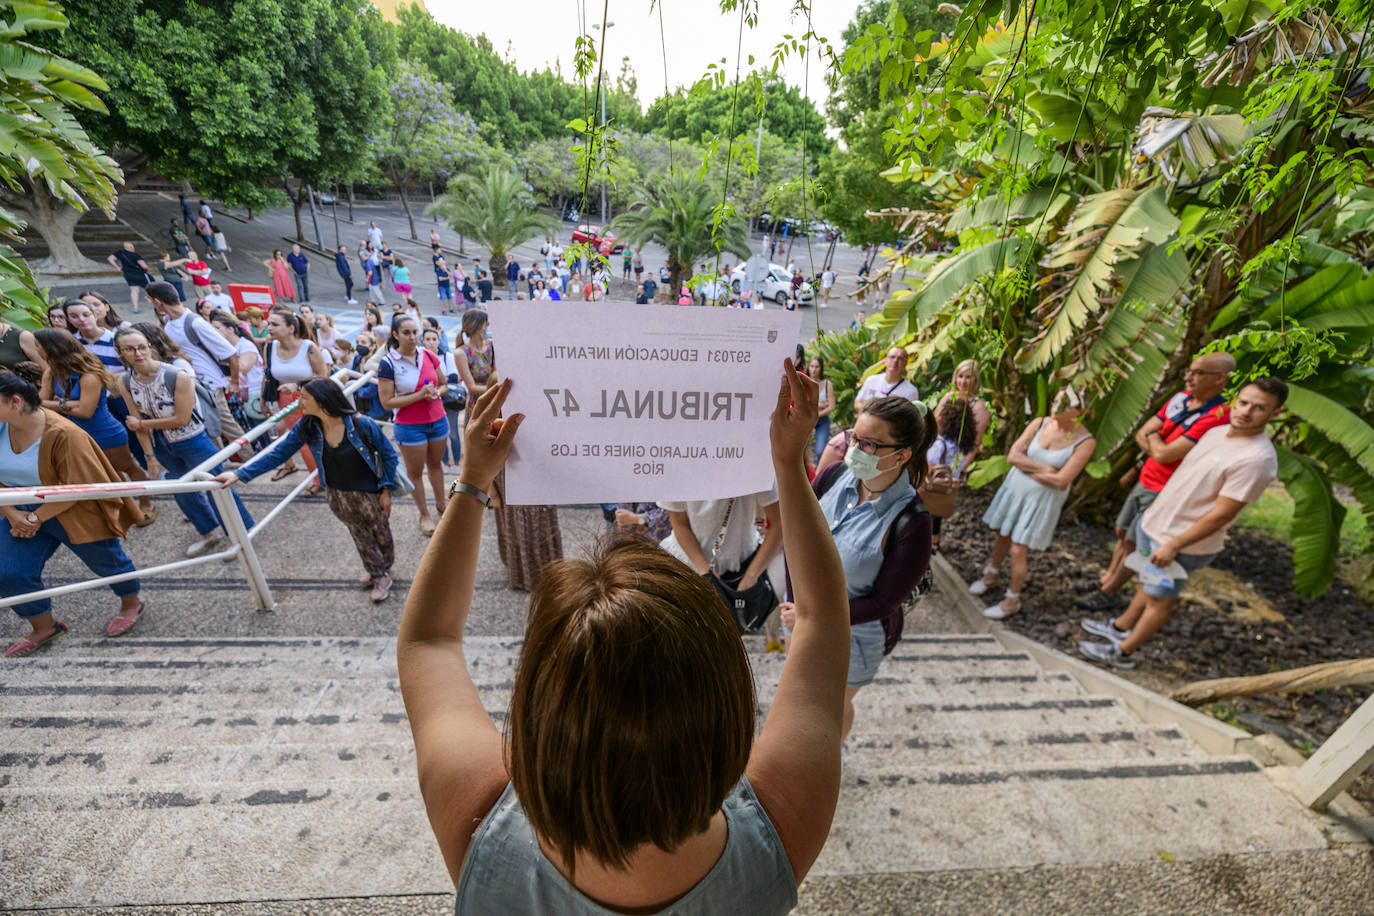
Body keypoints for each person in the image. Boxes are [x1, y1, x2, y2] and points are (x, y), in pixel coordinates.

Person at [397, 363, 851, 912]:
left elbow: (429, 640)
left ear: (536, 718)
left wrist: (471, 482)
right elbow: (823, 619)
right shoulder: (776, 837)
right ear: (729, 719)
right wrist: (788, 465)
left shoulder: (479, 826)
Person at [1079, 379, 1286, 669]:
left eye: (1259, 408)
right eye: (1243, 402)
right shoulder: (1216, 432)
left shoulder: (1257, 459)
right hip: (1158, 525)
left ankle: (1124, 652)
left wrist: (1174, 545)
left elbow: (1222, 514)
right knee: (1149, 583)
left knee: (1160, 599)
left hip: (1181, 542)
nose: (1246, 411)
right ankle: (1120, 626)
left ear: (1275, 413)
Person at [782, 396, 936, 741]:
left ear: (902, 455)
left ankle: (827, 763)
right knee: (798, 697)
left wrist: (811, 615)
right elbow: (797, 539)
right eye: (855, 437)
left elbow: (883, 602)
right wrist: (799, 607)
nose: (855, 449)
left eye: (870, 444)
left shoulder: (912, 522)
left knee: (832, 707)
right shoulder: (834, 476)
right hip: (801, 618)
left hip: (856, 637)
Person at [1, 370, 147, 656]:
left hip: (74, 507)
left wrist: (32, 518)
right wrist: (12, 511)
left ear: (15, 402)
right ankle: (44, 625)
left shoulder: (65, 434)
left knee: (107, 561)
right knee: (8, 572)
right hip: (18, 507)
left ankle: (131, 602)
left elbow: (77, 488)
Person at [1076, 352, 1235, 614]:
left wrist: (1154, 440)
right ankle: (1106, 579)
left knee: (1140, 542)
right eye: (1189, 371)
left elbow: (1164, 452)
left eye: (1197, 373)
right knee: (1122, 533)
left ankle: (1109, 592)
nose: (1188, 377)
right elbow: (1145, 434)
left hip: (1167, 490)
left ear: (1219, 379)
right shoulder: (1180, 398)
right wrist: (1157, 443)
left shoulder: (1218, 414)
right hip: (1146, 478)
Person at [220, 379, 402, 602]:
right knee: (359, 535)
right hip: (338, 495)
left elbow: (389, 456)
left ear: (323, 401)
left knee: (381, 534)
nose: (299, 401)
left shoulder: (361, 424)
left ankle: (383, 565)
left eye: (305, 397)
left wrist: (386, 490)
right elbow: (279, 453)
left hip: (371, 493)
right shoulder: (308, 426)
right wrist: (240, 474)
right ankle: (379, 574)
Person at [113, 328, 254, 559]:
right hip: (162, 444)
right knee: (182, 491)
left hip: (193, 439)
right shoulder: (126, 381)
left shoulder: (175, 375)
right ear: (120, 352)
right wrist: (149, 457)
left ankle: (241, 534)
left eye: (141, 346)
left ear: (150, 346)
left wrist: (142, 425)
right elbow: (136, 421)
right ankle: (208, 532)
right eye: (129, 349)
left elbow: (181, 418)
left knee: (216, 486)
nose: (137, 353)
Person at [968, 387, 1096, 619]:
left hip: (1041, 501)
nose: (1056, 406)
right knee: (1003, 534)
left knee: (1018, 549)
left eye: (1064, 404)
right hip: (1016, 492)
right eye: (1056, 400)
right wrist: (1045, 469)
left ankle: (1011, 599)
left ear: (1078, 411)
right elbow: (1013, 456)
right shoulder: (1039, 423)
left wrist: (1026, 468)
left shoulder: (1085, 442)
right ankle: (992, 574)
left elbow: (1062, 480)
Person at [35, 328, 155, 523]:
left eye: (38, 346)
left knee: (127, 467)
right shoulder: (52, 371)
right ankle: (129, 507)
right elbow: (40, 402)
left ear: (52, 348)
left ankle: (147, 503)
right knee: (109, 473)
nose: (36, 350)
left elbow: (85, 411)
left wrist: (60, 404)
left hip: (104, 432)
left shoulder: (89, 374)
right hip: (77, 433)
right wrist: (71, 404)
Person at [147, 282, 253, 463]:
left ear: (157, 301)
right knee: (206, 429)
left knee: (227, 426)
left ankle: (252, 460)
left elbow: (230, 353)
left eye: (149, 299)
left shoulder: (195, 323)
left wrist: (234, 382)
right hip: (188, 383)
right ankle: (220, 466)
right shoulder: (167, 321)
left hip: (209, 384)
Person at [378, 315, 449, 536]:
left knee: (436, 464)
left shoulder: (427, 354)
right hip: (410, 425)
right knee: (415, 473)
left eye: (415, 332)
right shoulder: (389, 363)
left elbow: (444, 384)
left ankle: (441, 504)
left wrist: (437, 392)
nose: (412, 337)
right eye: (406, 333)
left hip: (437, 419)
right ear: (395, 335)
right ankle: (424, 514)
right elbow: (387, 402)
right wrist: (419, 395)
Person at [261, 309, 328, 485]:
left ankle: (319, 480)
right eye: (269, 324)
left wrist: (297, 385)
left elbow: (324, 376)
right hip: (284, 400)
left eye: (275, 324)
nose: (269, 328)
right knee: (297, 440)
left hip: (311, 398)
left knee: (311, 441)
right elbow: (267, 374)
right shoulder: (269, 347)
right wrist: (263, 399)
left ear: (291, 328)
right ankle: (312, 476)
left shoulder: (308, 347)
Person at [926, 397, 979, 550]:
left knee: (926, 518)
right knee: (936, 516)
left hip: (932, 489)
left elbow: (930, 468)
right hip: (946, 491)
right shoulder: (961, 443)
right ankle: (934, 543)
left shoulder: (939, 443)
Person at [934, 359, 993, 462]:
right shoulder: (949, 396)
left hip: (957, 457)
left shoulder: (979, 406)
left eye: (968, 377)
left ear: (976, 379)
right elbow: (935, 424)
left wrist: (962, 468)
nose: (963, 381)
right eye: (960, 376)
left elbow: (976, 442)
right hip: (936, 452)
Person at [208, 310, 262, 423]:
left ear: (230, 329)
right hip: (236, 398)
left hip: (253, 395)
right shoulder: (219, 348)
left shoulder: (245, 345)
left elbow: (242, 368)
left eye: (217, 328)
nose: (213, 332)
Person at [426, 327, 464, 472]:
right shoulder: (421, 357)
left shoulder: (447, 356)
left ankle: (456, 461)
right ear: (423, 341)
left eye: (434, 339)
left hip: (449, 400)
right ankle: (445, 462)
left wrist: (436, 382)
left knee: (453, 433)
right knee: (438, 433)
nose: (431, 342)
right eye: (428, 339)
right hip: (432, 401)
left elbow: (454, 377)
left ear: (439, 340)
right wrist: (442, 380)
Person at [855, 347, 919, 409]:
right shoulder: (871, 380)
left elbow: (910, 416)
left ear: (905, 363)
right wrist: (872, 410)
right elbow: (857, 403)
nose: (895, 360)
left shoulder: (910, 391)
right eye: (892, 357)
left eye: (900, 358)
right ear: (885, 360)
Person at [106, 242, 151, 314]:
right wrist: (148, 270)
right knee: (149, 288)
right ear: (131, 248)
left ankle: (135, 308)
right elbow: (144, 266)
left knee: (134, 291)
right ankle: (153, 302)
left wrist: (118, 267)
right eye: (133, 247)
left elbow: (110, 258)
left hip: (128, 274)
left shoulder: (120, 253)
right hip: (140, 274)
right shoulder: (135, 255)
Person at [807, 355, 834, 463]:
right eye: (812, 366)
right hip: (806, 420)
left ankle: (819, 475)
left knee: (820, 451)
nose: (814, 369)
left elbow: (832, 406)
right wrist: (819, 405)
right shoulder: (804, 382)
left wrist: (817, 414)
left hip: (822, 420)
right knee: (801, 450)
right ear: (808, 367)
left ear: (821, 368)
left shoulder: (827, 384)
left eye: (817, 367)